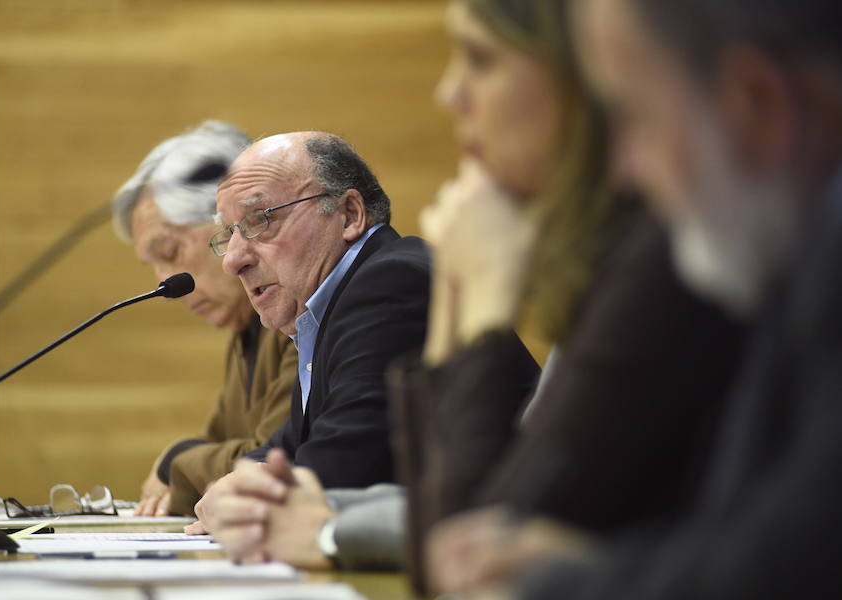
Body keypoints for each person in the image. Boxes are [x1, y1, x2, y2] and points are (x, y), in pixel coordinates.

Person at [192, 0, 745, 577]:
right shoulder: (622, 257)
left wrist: (475, 306)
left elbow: (478, 540)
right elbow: (483, 522)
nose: (450, 94)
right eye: (227, 235)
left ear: (588, 78)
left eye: (481, 59)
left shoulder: (390, 280)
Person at [430, 0, 842, 597]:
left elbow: (793, 561)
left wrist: (576, 584)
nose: (625, 168)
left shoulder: (690, 259)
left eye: (632, 115)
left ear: (760, 106)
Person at [188, 131, 510, 540]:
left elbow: (340, 473)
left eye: (259, 221)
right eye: (229, 233)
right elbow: (291, 446)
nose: (233, 260)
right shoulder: (327, 311)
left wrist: (242, 494)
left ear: (350, 214)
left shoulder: (391, 284)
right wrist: (239, 480)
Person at [111, 120, 297, 516]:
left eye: (170, 252)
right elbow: (217, 449)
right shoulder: (246, 324)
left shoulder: (295, 313)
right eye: (153, 264)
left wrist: (177, 461)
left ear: (228, 226)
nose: (164, 283)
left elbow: (274, 457)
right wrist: (188, 463)